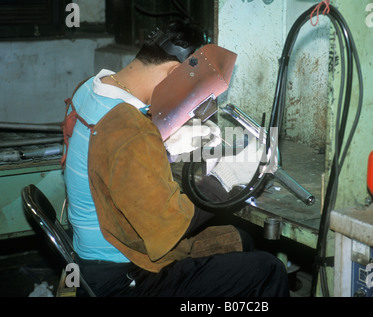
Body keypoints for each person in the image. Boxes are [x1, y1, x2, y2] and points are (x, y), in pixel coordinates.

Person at [63, 20, 289, 297]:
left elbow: (107, 158)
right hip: (125, 276)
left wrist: (163, 146)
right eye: (191, 93)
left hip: (93, 258)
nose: (190, 106)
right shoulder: (129, 129)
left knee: (239, 240)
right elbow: (169, 227)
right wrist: (224, 178)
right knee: (267, 269)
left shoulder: (90, 89)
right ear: (174, 72)